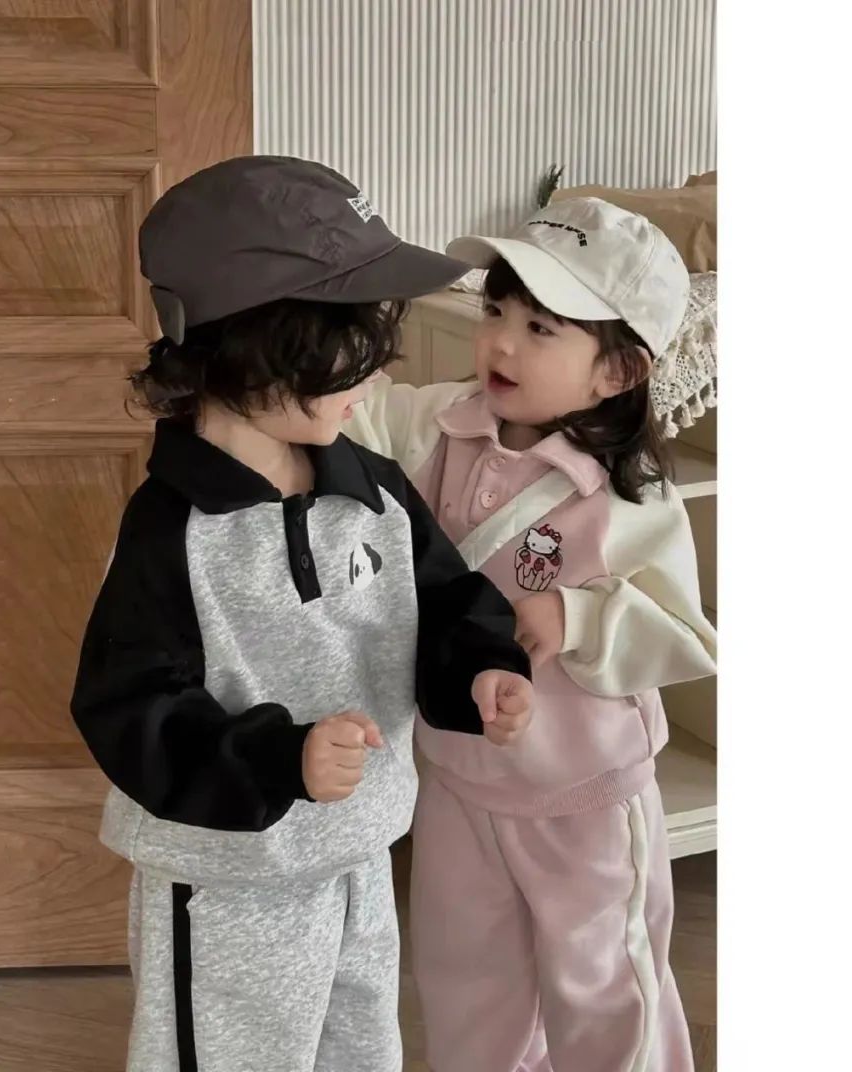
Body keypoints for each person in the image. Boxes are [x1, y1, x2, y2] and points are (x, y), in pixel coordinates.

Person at [69, 155, 534, 1072]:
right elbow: (130, 706)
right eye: (347, 353)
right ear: (253, 347)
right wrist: (280, 759)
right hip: (230, 880)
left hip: (359, 853)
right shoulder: (174, 533)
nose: (373, 378)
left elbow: (444, 599)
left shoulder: (373, 491)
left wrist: (482, 669)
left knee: (360, 1049)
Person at [346, 197, 718, 1072]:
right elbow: (360, 414)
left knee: (605, 986)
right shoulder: (442, 423)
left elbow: (683, 635)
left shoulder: (629, 500)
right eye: (497, 312)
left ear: (617, 371)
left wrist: (577, 616)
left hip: (583, 793)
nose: (501, 344)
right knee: (466, 979)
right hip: (458, 777)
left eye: (541, 328)